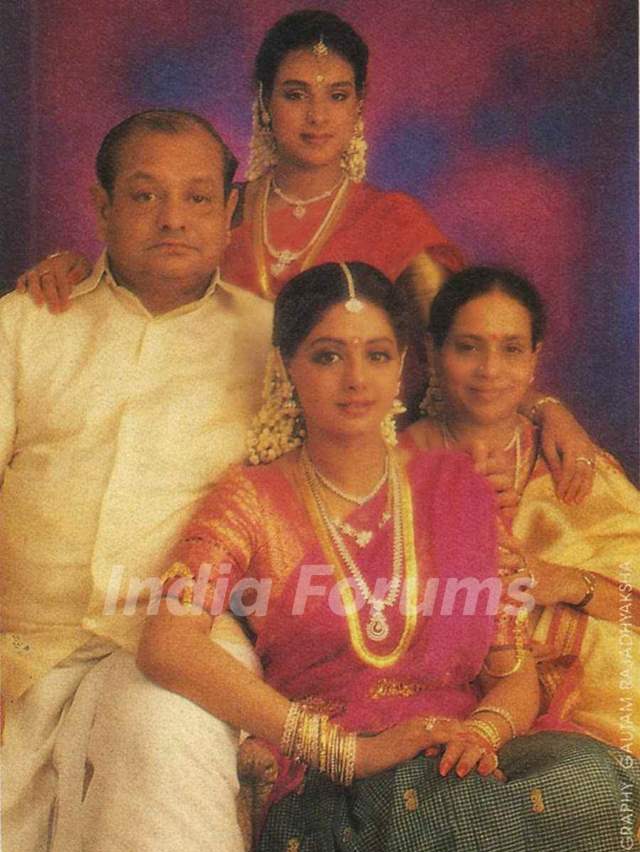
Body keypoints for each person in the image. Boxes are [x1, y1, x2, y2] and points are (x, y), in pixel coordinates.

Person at [137, 261, 634, 852]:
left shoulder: (454, 486)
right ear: (288, 365)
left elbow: (512, 671)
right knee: (439, 808)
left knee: (599, 783)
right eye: (327, 356)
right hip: (335, 776)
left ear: (401, 365)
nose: (354, 379)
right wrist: (343, 751)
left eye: (375, 355)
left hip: (464, 752)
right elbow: (168, 643)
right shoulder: (249, 500)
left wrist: (481, 732)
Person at [14, 10, 598, 496]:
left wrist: (545, 408)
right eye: (296, 95)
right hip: (198, 472)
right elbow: (136, 293)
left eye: (336, 96)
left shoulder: (395, 222)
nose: (317, 116)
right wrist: (73, 268)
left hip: (355, 473)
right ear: (265, 104)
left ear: (358, 106)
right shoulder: (212, 209)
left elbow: (469, 347)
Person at [0, 109, 274, 852]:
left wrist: (541, 414)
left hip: (181, 640)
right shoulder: (25, 324)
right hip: (21, 641)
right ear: (101, 208)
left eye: (197, 197)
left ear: (229, 214)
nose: (173, 218)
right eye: (146, 195)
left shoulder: (275, 341)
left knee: (163, 739)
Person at [404, 265, 640, 755]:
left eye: (511, 349)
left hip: (597, 706)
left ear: (534, 360)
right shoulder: (391, 467)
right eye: (468, 347)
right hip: (449, 706)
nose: (490, 371)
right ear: (433, 352)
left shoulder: (572, 465)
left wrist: (569, 583)